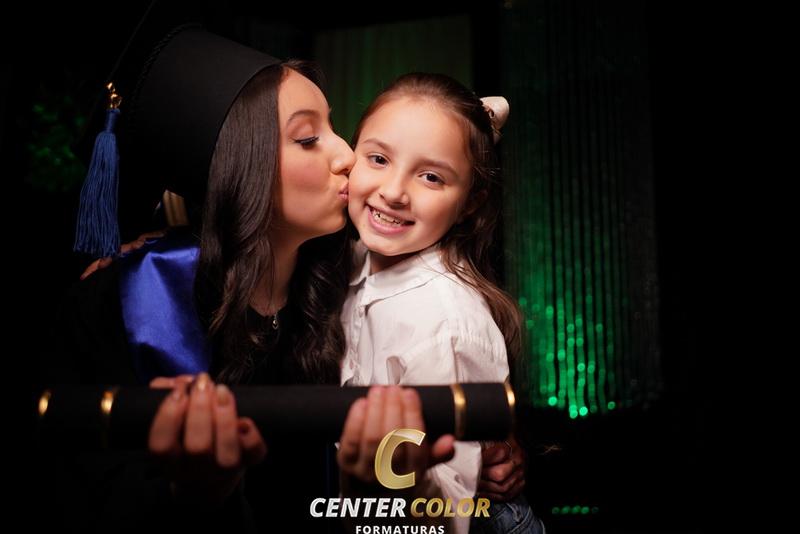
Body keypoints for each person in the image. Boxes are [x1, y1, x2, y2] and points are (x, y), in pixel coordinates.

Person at [36, 22, 356, 532]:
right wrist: (192, 493)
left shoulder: (348, 286)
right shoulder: (121, 304)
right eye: (307, 139)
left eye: (333, 127)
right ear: (235, 168)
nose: (347, 155)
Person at [335, 72, 544, 533]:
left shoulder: (441, 323)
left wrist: (391, 476)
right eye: (378, 158)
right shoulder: (349, 258)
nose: (393, 191)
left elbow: (450, 512)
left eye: (431, 177)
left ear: (470, 203)